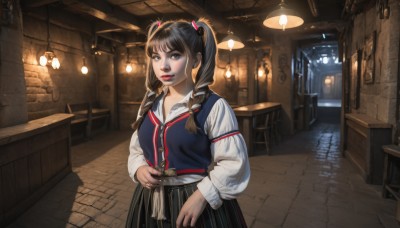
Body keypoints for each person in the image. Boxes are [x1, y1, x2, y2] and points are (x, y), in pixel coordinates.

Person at [126, 18, 250, 228]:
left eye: (175, 55)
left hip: (194, 203)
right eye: (156, 57)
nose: (163, 65)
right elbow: (136, 151)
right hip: (148, 202)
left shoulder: (214, 106)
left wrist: (203, 195)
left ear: (195, 60)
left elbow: (234, 163)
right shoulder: (149, 104)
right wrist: (139, 169)